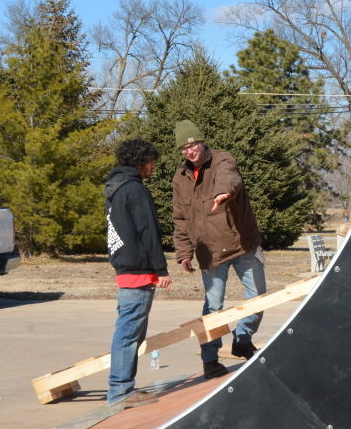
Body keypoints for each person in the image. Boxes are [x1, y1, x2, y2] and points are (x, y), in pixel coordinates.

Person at [172, 120, 266, 379]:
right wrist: (183, 252)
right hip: (209, 252)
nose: (190, 151)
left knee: (258, 297)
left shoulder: (223, 160)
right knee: (213, 308)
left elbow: (230, 177)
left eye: (192, 145)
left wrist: (223, 192)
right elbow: (180, 218)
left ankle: (243, 338)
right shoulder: (180, 178)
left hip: (242, 244)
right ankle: (210, 360)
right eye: (184, 148)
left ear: (202, 142)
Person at [105, 138, 171, 409]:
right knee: (128, 333)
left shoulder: (115, 188)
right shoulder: (135, 190)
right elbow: (149, 232)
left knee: (129, 332)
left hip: (124, 266)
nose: (153, 166)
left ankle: (122, 386)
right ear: (141, 162)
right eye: (151, 161)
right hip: (138, 270)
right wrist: (161, 269)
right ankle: (120, 390)